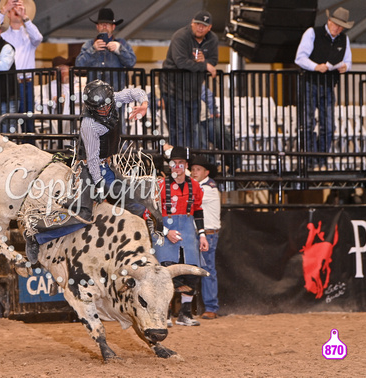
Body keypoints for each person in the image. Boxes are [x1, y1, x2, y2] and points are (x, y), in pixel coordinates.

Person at [24, 80, 149, 262]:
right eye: (101, 107)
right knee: (83, 215)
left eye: (107, 105)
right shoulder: (89, 124)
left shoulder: (113, 99)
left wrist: (144, 104)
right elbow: (92, 159)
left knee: (136, 203)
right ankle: (36, 236)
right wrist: (99, 184)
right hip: (89, 169)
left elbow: (135, 92)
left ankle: (134, 246)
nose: (106, 109)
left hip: (107, 165)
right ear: (92, 107)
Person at [153, 145, 208, 326]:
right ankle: (165, 314)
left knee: (192, 271)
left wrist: (202, 235)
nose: (177, 167)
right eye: (174, 163)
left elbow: (198, 210)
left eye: (181, 163)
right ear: (170, 165)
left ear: (186, 165)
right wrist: (167, 232)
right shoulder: (160, 186)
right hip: (165, 231)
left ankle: (185, 314)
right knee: (166, 273)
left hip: (188, 230)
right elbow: (151, 214)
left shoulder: (195, 186)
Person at [295, 7, 353, 170]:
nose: (338, 29)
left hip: (328, 84)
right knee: (307, 123)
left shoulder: (344, 39)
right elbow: (300, 58)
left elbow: (348, 60)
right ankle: (310, 160)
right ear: (329, 22)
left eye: (341, 27)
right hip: (310, 82)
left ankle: (322, 160)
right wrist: (315, 67)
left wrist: (345, 67)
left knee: (327, 125)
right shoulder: (312, 33)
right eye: (336, 25)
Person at [162, 10, 218, 147]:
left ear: (209, 28)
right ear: (192, 23)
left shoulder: (212, 39)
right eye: (198, 24)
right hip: (173, 89)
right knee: (178, 128)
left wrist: (204, 62)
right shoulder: (180, 36)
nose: (200, 28)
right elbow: (181, 62)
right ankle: (180, 161)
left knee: (193, 128)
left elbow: (214, 60)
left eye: (204, 25)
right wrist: (205, 65)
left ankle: (190, 161)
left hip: (194, 90)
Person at [0, 0, 42, 134]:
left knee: (28, 120)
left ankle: (30, 149)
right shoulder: (2, 37)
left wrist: (25, 18)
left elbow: (38, 38)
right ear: (8, 15)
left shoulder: (30, 36)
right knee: (8, 121)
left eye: (20, 10)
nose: (16, 12)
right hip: (8, 83)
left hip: (26, 83)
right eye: (13, 10)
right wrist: (3, 10)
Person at [189, 154, 220, 320]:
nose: (194, 172)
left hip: (207, 234)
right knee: (204, 270)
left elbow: (192, 199)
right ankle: (207, 306)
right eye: (193, 169)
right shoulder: (206, 186)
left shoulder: (207, 189)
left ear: (206, 172)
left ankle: (210, 306)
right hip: (203, 233)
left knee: (206, 270)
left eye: (198, 169)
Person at [75, 8, 136, 90]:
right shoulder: (89, 45)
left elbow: (131, 63)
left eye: (108, 24)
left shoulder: (122, 43)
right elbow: (79, 65)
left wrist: (119, 49)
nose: (104, 26)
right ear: (97, 26)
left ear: (113, 27)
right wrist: (92, 49)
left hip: (115, 92)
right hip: (94, 92)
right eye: (101, 24)